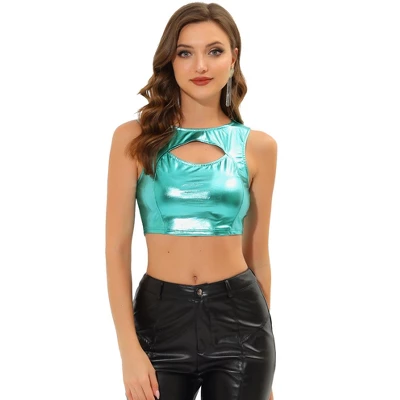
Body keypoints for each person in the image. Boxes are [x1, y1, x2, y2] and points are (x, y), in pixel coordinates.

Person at [105, 2, 277, 399]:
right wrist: (128, 350)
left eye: (214, 51)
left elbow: (258, 255)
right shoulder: (133, 139)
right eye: (185, 52)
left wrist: (265, 376)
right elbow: (116, 249)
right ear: (171, 60)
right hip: (159, 322)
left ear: (233, 58)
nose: (200, 65)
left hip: (241, 326)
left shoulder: (259, 148)